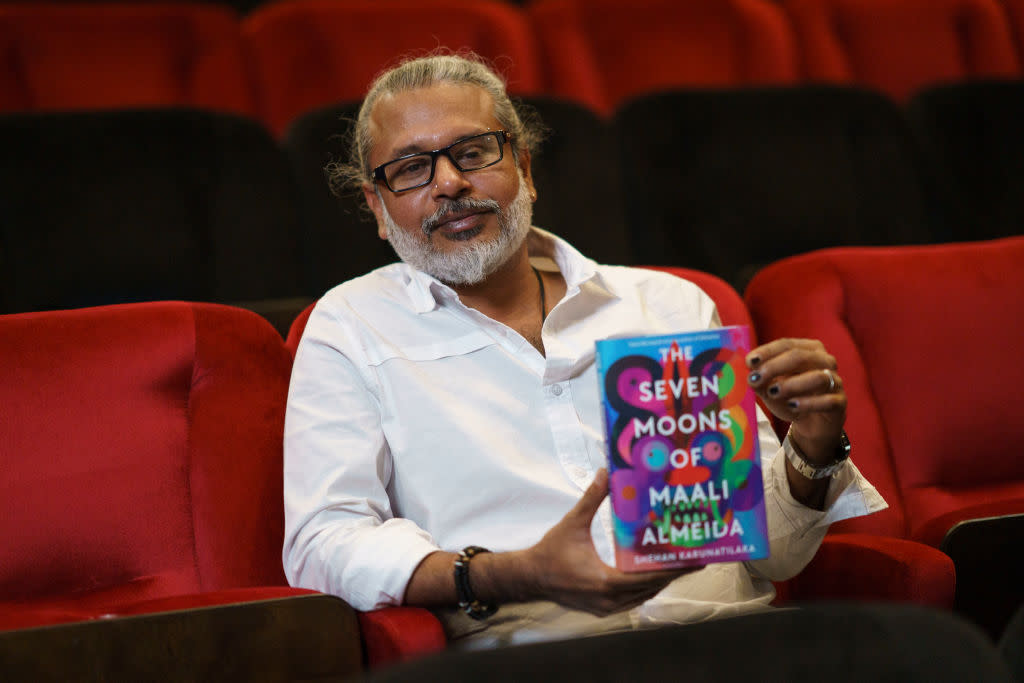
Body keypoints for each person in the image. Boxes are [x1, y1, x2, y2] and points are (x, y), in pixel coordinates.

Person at [283, 52, 886, 648]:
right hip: (542, 658)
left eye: (472, 153)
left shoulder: (667, 306)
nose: (449, 183)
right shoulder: (351, 326)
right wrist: (509, 573)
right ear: (378, 208)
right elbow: (323, 544)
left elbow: (773, 556)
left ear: (523, 166)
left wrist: (813, 445)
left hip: (728, 643)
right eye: (412, 168)